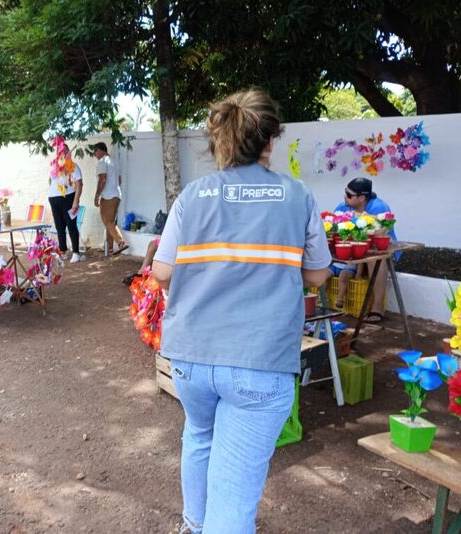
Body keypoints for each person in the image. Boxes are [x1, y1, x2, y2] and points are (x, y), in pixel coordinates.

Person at [151, 88, 331, 533]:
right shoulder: (298, 196)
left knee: (199, 436)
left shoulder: (192, 196)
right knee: (234, 497)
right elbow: (318, 275)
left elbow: (161, 270)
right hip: (260, 361)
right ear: (270, 140)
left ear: (221, 140)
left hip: (192, 357)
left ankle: (193, 525)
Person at [333, 177, 395, 322]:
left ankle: (377, 307)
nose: (345, 198)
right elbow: (333, 225)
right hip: (352, 248)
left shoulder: (378, 207)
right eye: (345, 193)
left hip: (378, 248)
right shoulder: (343, 206)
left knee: (375, 257)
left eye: (349, 195)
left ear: (362, 198)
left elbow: (379, 232)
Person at [48, 143, 85, 263]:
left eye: (65, 151)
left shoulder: (73, 166)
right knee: (59, 226)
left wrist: (76, 201)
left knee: (71, 225)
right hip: (54, 198)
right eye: (60, 151)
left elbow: (79, 184)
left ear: (68, 152)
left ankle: (76, 252)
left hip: (68, 197)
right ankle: (62, 251)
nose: (62, 153)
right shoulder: (54, 166)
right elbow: (51, 181)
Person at [92, 142, 128, 255]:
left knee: (108, 221)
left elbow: (102, 179)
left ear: (100, 150)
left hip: (108, 196)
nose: (94, 154)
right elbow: (120, 180)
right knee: (109, 222)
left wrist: (97, 195)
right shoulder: (114, 162)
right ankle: (109, 247)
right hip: (117, 195)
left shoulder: (103, 161)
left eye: (95, 151)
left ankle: (121, 242)